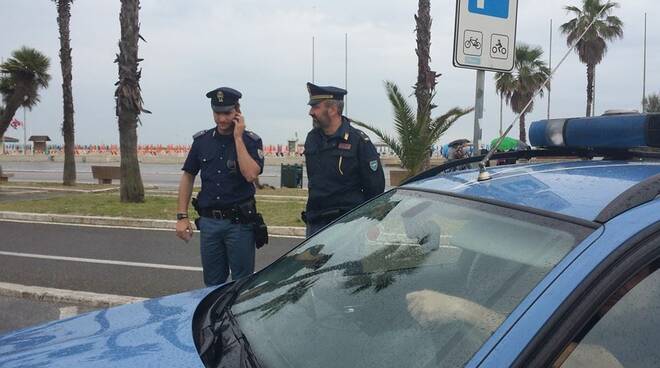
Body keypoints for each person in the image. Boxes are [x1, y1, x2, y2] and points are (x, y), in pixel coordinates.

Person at [175, 87, 264, 286]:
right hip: (209, 223)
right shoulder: (202, 141)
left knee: (241, 285)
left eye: (227, 113)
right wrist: (181, 216)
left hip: (239, 224)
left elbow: (250, 174)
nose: (222, 119)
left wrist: (238, 138)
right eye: (217, 113)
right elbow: (188, 176)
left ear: (237, 112)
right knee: (212, 285)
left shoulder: (251, 141)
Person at [302, 82, 385, 236]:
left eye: (316, 107)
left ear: (333, 110)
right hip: (316, 223)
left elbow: (375, 186)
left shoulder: (358, 141)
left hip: (348, 224)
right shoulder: (312, 138)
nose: (311, 112)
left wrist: (373, 220)